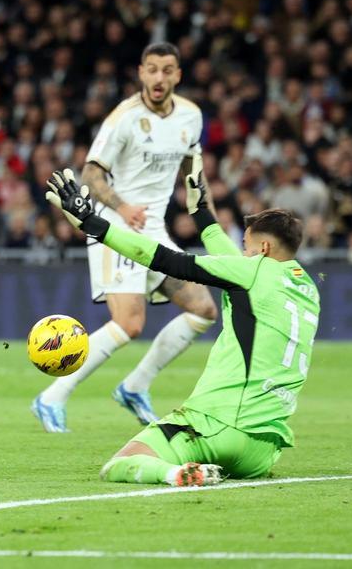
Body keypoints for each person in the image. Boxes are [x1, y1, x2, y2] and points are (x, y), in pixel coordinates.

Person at [45, 160, 318, 486]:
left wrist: (93, 224)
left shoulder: (252, 271)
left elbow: (163, 258)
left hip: (218, 425)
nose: (242, 253)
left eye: (246, 246)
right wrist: (201, 210)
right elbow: (233, 262)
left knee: (122, 464)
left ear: (264, 248)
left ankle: (179, 474)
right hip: (262, 451)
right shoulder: (306, 288)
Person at [34, 42, 219, 433]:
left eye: (167, 70)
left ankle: (135, 387)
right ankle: (52, 396)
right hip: (114, 226)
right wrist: (122, 206)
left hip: (153, 230)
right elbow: (91, 174)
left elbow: (193, 175)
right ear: (141, 72)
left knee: (203, 310)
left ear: (178, 76)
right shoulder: (124, 118)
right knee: (130, 323)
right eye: (152, 69)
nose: (159, 78)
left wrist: (211, 228)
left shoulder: (191, 116)